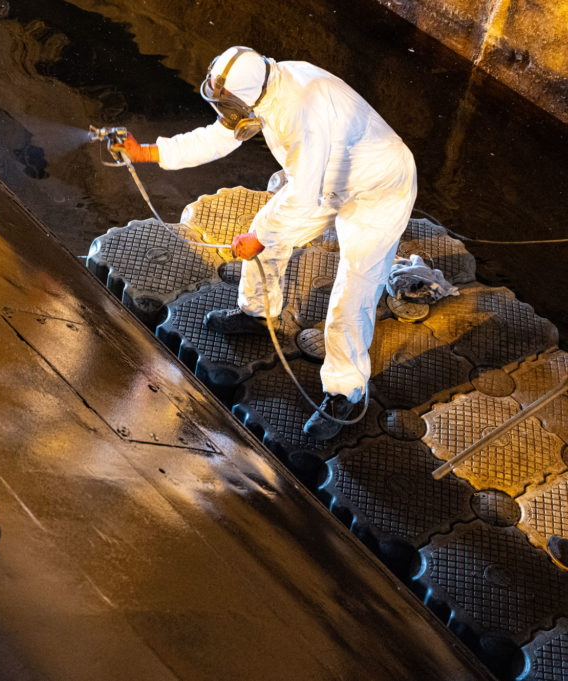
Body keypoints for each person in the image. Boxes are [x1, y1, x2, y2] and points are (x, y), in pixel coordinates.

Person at [121, 46, 417, 441]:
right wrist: (148, 152)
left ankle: (345, 392)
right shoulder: (263, 87)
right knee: (268, 226)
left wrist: (258, 240)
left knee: (354, 288)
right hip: (329, 179)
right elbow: (219, 138)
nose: (225, 113)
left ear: (247, 95)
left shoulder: (302, 110)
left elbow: (302, 196)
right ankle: (258, 312)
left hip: (379, 186)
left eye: (227, 104)